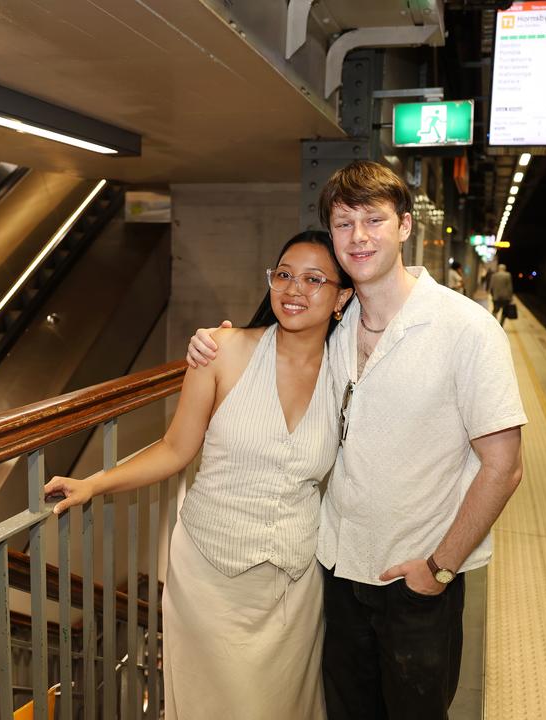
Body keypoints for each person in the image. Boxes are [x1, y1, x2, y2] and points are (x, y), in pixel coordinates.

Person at [187, 160, 526, 720]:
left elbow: (504, 467)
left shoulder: (466, 330)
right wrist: (214, 339)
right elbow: (270, 338)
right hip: (337, 571)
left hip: (416, 580)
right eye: (344, 223)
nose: (359, 236)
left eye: (373, 219)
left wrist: (438, 569)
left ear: (404, 228)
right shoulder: (338, 326)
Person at [45, 231, 353, 720]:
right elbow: (175, 449)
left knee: (284, 706)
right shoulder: (222, 350)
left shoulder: (349, 373)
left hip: (294, 582)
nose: (294, 289)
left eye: (315, 280)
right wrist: (94, 483)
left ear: (342, 297)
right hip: (211, 575)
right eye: (284, 275)